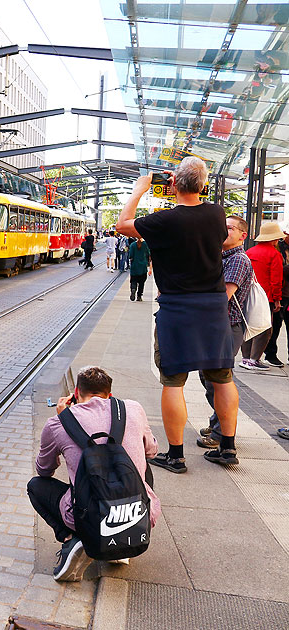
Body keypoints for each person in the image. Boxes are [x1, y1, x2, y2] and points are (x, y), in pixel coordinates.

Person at [116, 157, 240, 472]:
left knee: (174, 382)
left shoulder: (163, 222)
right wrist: (185, 183)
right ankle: (227, 449)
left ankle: (175, 455)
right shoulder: (216, 214)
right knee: (222, 377)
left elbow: (121, 225)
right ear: (203, 186)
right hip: (213, 309)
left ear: (173, 185)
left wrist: (139, 189)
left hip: (177, 309)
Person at [29, 366, 160, 581]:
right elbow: (152, 451)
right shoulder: (134, 408)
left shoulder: (56, 423)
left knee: (35, 486)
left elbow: (44, 470)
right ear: (109, 395)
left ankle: (71, 539)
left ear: (76, 393)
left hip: (87, 518)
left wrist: (66, 421)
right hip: (139, 514)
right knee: (143, 467)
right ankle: (121, 541)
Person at [198, 215, 254, 449]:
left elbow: (223, 297)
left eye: (229, 228)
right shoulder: (222, 257)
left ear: (243, 235)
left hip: (226, 327)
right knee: (209, 378)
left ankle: (222, 433)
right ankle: (217, 421)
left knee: (218, 380)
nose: (224, 231)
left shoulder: (239, 260)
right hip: (215, 326)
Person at [240, 222, 284, 369]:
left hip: (247, 294)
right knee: (264, 328)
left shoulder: (249, 252)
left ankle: (245, 358)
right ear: (274, 239)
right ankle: (254, 359)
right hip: (266, 297)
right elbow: (276, 280)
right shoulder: (274, 254)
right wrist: (277, 299)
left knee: (247, 325)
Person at [263, 226, 289, 367]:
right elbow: (277, 274)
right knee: (275, 325)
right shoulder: (276, 250)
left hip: (284, 291)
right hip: (279, 292)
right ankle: (270, 353)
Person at [127, 236, 151, 301]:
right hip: (143, 267)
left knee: (133, 280)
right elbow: (148, 254)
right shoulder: (145, 244)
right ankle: (139, 296)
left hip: (134, 266)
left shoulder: (132, 245)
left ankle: (133, 289)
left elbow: (130, 256)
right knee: (142, 282)